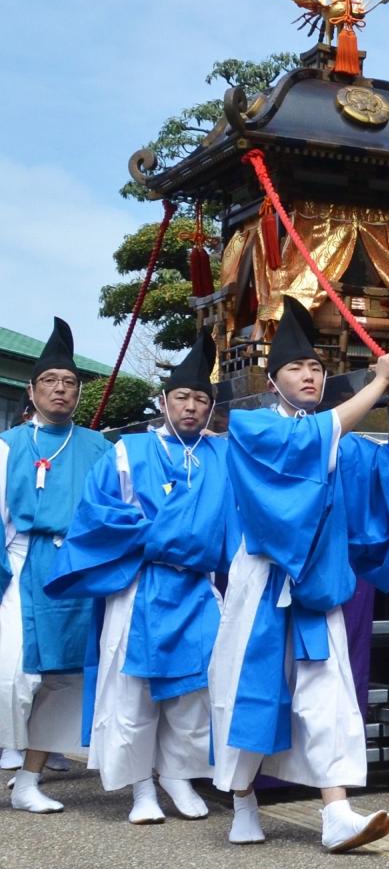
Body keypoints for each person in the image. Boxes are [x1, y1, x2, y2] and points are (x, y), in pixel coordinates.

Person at [207, 297, 389, 852]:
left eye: (317, 368)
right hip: (261, 582)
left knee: (328, 696)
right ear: (273, 380)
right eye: (297, 367)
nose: (309, 375)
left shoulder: (338, 445)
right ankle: (244, 800)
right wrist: (373, 387)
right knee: (249, 692)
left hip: (315, 587)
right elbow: (307, 444)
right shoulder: (251, 429)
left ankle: (336, 813)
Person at [46, 338, 229, 823]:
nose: (191, 408)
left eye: (201, 400)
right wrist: (169, 534)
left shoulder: (222, 456)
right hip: (139, 584)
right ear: (164, 401)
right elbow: (97, 515)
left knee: (195, 691)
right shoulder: (128, 452)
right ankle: (141, 787)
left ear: (211, 408)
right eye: (182, 398)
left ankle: (178, 775)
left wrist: (185, 539)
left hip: (195, 587)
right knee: (133, 694)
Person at [0, 318, 113, 813]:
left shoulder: (100, 447)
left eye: (69, 383)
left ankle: (29, 779)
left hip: (77, 570)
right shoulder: (8, 445)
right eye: (50, 381)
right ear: (31, 390)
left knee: (64, 679)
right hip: (20, 563)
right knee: (11, 674)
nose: (61, 390)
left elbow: (118, 508)